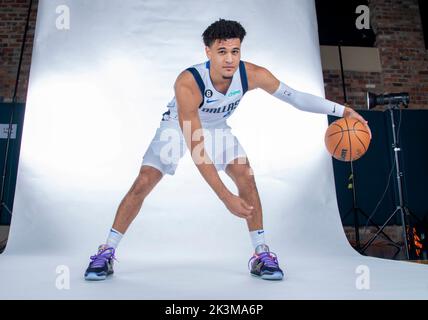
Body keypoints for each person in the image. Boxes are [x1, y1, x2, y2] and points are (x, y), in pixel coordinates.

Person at [84, 19, 371, 281]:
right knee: (145, 181)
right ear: (207, 52)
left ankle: (261, 255)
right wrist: (225, 198)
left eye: (235, 51)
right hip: (179, 124)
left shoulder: (252, 74)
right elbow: (197, 149)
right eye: (222, 51)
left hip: (217, 125)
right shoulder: (188, 83)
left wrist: (343, 110)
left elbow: (295, 97)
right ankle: (106, 252)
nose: (230, 58)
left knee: (245, 175)